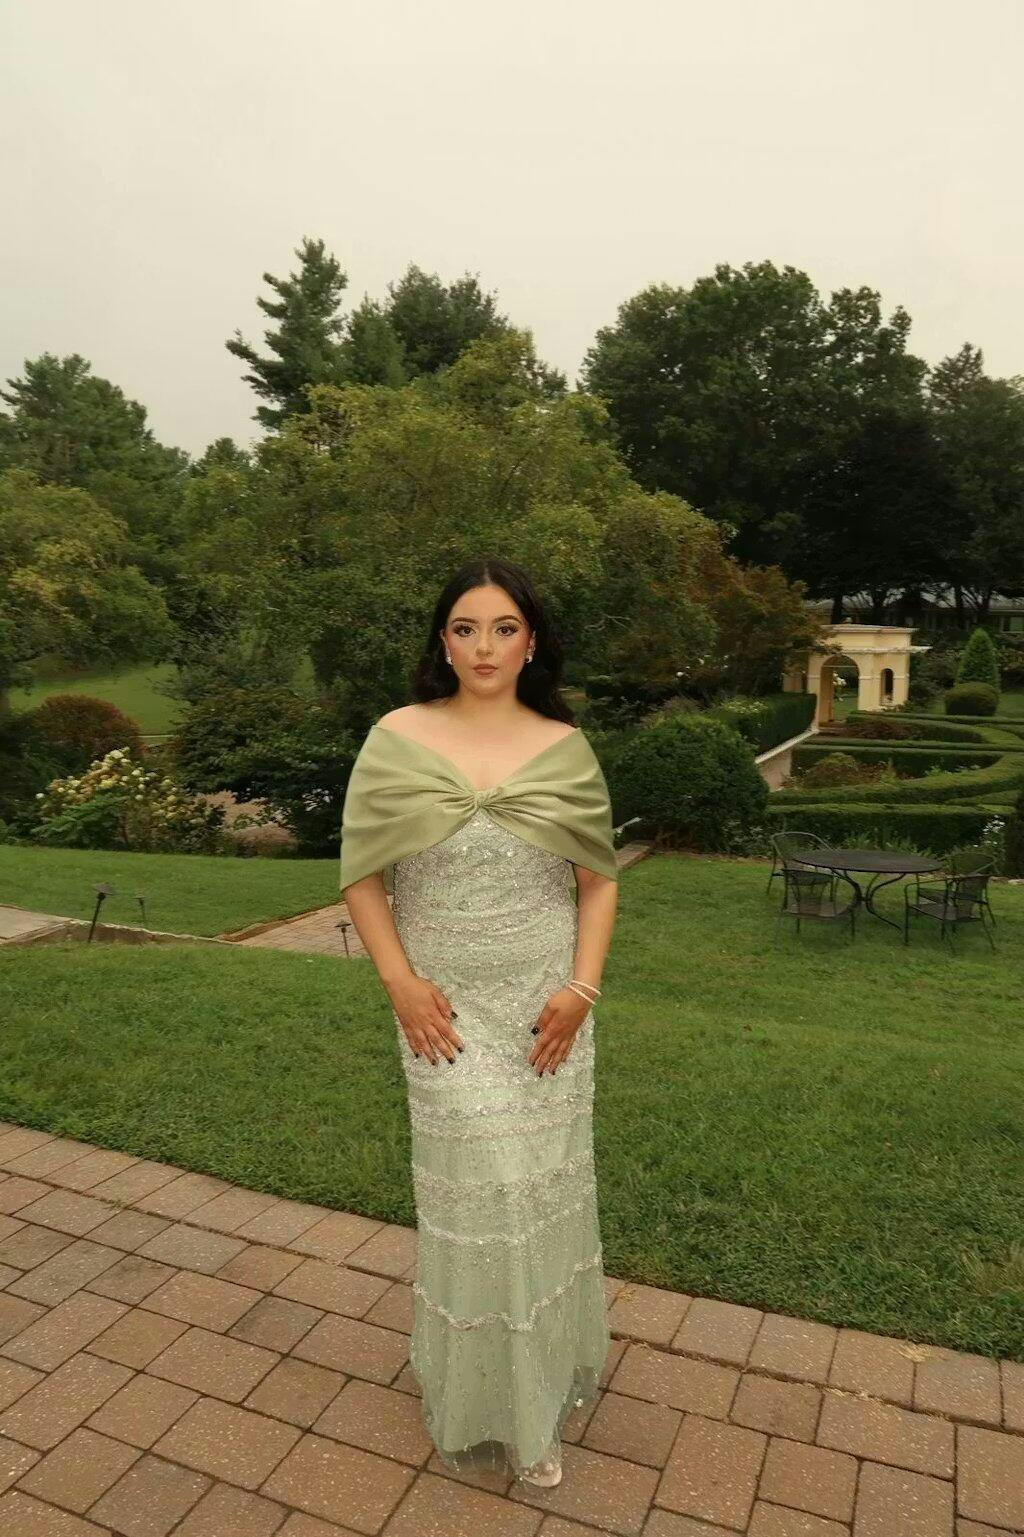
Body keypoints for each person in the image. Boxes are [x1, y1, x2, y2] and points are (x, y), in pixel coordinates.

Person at [339, 556, 619, 1488]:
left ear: (531, 641)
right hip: (444, 1015)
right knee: (485, 1193)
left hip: (545, 1013)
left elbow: (598, 883)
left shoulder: (565, 747)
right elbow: (362, 876)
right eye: (466, 628)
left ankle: (534, 1391)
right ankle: (489, 1394)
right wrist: (401, 984)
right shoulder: (396, 738)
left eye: (504, 628)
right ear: (443, 641)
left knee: (536, 1196)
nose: (485, 647)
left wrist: (580, 991)